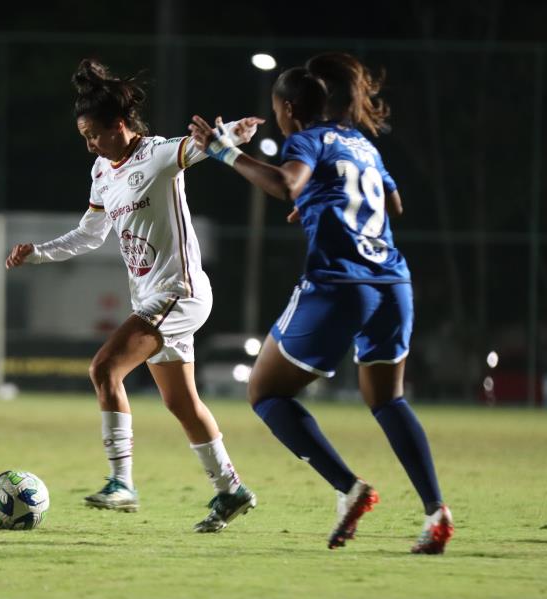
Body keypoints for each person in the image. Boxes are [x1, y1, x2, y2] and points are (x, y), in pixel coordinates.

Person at [189, 53, 454, 553]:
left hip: (340, 284)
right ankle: (436, 512)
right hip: (393, 283)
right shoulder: (361, 144)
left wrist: (226, 154)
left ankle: (349, 488)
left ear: (288, 109)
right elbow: (391, 204)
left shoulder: (306, 140)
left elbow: (287, 183)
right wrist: (322, 202)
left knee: (266, 393)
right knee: (388, 399)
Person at [6, 59, 262, 532]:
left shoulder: (159, 154)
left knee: (104, 368)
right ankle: (230, 492)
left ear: (120, 125)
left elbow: (199, 148)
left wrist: (235, 136)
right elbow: (89, 233)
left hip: (177, 292)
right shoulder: (103, 171)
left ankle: (121, 483)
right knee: (182, 404)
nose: (89, 145)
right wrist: (37, 254)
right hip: (152, 298)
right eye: (83, 136)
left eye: (94, 134)